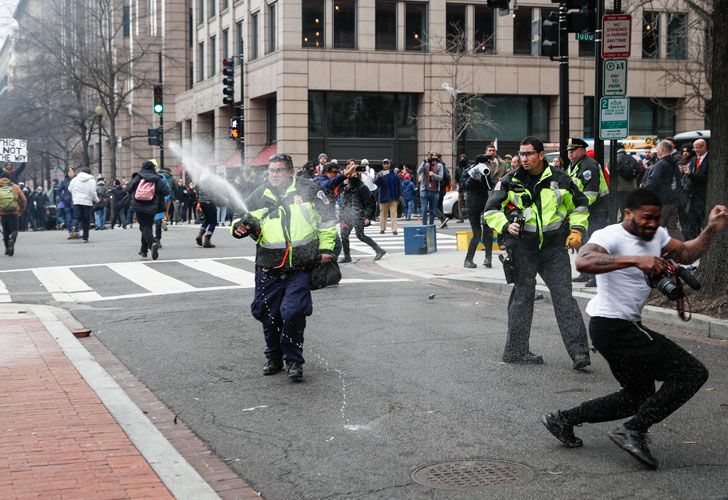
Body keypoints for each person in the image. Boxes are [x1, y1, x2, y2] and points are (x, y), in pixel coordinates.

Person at [542, 188, 727, 469]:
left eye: (656, 217)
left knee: (636, 397)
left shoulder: (657, 236)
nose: (652, 223)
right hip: (612, 326)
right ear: (628, 213)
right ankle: (633, 430)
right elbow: (584, 260)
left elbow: (688, 253)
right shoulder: (610, 235)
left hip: (621, 327)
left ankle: (563, 418)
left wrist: (711, 229)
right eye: (646, 217)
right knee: (692, 373)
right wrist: (635, 260)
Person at [483, 136, 591, 369]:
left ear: (541, 155)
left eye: (529, 154)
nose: (524, 158)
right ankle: (516, 352)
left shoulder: (561, 179)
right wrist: (505, 225)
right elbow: (490, 210)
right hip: (522, 249)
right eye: (521, 154)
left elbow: (580, 206)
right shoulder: (509, 180)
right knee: (522, 300)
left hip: (554, 249)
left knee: (564, 300)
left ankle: (580, 354)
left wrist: (577, 229)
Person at [231, 153, 337, 382]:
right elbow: (240, 218)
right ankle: (274, 357)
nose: (274, 175)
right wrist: (240, 228)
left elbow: (328, 221)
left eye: (279, 171)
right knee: (267, 315)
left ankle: (294, 361)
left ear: (290, 172)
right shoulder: (260, 194)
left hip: (300, 265)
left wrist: (326, 249)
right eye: (271, 171)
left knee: (293, 312)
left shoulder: (309, 191)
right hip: (268, 266)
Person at [566, 138, 609, 287]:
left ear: (583, 150)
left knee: (593, 244)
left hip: (596, 211)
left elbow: (591, 194)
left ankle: (597, 276)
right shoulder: (574, 165)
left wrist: (574, 207)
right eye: (568, 151)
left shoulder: (589, 166)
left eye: (573, 150)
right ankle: (586, 273)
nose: (570, 154)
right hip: (583, 212)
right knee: (582, 242)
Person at [339, 163, 387, 263]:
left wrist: (367, 217)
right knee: (344, 235)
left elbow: (369, 203)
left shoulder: (362, 187)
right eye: (352, 173)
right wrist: (342, 217)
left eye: (356, 173)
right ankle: (347, 257)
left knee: (360, 235)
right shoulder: (348, 187)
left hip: (359, 214)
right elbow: (344, 201)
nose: (354, 174)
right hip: (348, 214)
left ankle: (379, 250)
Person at [126, 160, 170, 260]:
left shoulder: (138, 176)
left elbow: (128, 189)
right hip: (152, 206)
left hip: (139, 205)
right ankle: (143, 250)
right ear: (153, 168)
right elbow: (167, 192)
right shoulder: (157, 178)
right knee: (147, 226)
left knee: (144, 227)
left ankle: (152, 243)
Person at [642, 140, 683, 239]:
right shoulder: (674, 164)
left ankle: (655, 248)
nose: (656, 151)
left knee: (657, 227)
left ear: (661, 149)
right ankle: (680, 249)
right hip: (673, 200)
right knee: (672, 227)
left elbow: (652, 183)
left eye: (657, 149)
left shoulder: (660, 164)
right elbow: (677, 182)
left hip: (661, 201)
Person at [461, 154, 494, 268]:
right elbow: (465, 186)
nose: (487, 165)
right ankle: (468, 260)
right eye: (485, 163)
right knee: (477, 234)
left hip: (485, 205)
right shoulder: (468, 171)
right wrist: (473, 176)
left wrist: (484, 176)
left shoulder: (486, 171)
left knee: (488, 232)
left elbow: (490, 186)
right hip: (472, 206)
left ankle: (488, 259)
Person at [680, 138, 709, 240]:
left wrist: (690, 174)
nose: (695, 150)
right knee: (692, 222)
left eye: (697, 148)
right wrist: (683, 171)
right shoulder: (693, 159)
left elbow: (704, 178)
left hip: (702, 196)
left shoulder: (709, 159)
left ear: (704, 147)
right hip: (691, 196)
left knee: (702, 220)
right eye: (694, 148)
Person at [68, 167, 99, 243]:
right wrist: (96, 200)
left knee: (77, 217)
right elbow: (92, 192)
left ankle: (74, 226)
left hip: (77, 201)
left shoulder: (75, 179)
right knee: (86, 220)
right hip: (87, 202)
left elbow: (70, 188)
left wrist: (76, 194)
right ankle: (85, 238)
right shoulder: (91, 180)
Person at [0, 171, 27, 256]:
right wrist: (21, 209)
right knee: (14, 229)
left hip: (2, 212)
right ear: (9, 178)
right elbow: (23, 199)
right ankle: (12, 239)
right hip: (14, 211)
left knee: (5, 231)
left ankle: (7, 249)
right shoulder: (15, 187)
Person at [375, 159, 402, 235]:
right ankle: (382, 229)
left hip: (393, 196)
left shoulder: (394, 174)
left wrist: (400, 195)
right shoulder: (380, 173)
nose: (386, 165)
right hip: (383, 197)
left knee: (394, 214)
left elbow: (399, 185)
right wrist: (380, 177)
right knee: (383, 214)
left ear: (389, 164)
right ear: (383, 165)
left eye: (387, 163)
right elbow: (376, 182)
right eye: (385, 164)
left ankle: (394, 229)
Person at [417, 154, 443, 227]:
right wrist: (424, 162)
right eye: (432, 158)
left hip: (435, 192)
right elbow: (418, 171)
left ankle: (431, 226)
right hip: (425, 190)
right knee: (424, 210)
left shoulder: (440, 166)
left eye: (435, 159)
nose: (433, 161)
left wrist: (434, 174)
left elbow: (440, 178)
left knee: (433, 211)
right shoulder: (426, 164)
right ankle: (424, 226)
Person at [195, 183, 218, 248]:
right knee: (213, 222)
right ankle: (207, 241)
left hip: (202, 202)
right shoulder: (210, 180)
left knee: (207, 220)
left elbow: (196, 188)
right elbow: (214, 191)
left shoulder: (201, 180)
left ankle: (200, 235)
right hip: (209, 202)